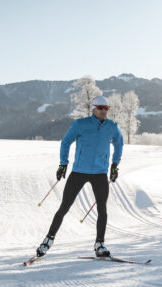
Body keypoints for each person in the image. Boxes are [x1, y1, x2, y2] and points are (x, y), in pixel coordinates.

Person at [35, 95, 123, 258]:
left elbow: (119, 143)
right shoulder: (80, 124)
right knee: (64, 207)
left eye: (107, 108)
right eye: (101, 108)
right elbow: (66, 141)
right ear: (94, 108)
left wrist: (114, 165)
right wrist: (63, 164)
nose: (104, 111)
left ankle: (100, 244)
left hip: (100, 173)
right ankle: (48, 240)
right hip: (79, 172)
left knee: (102, 209)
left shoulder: (112, 126)